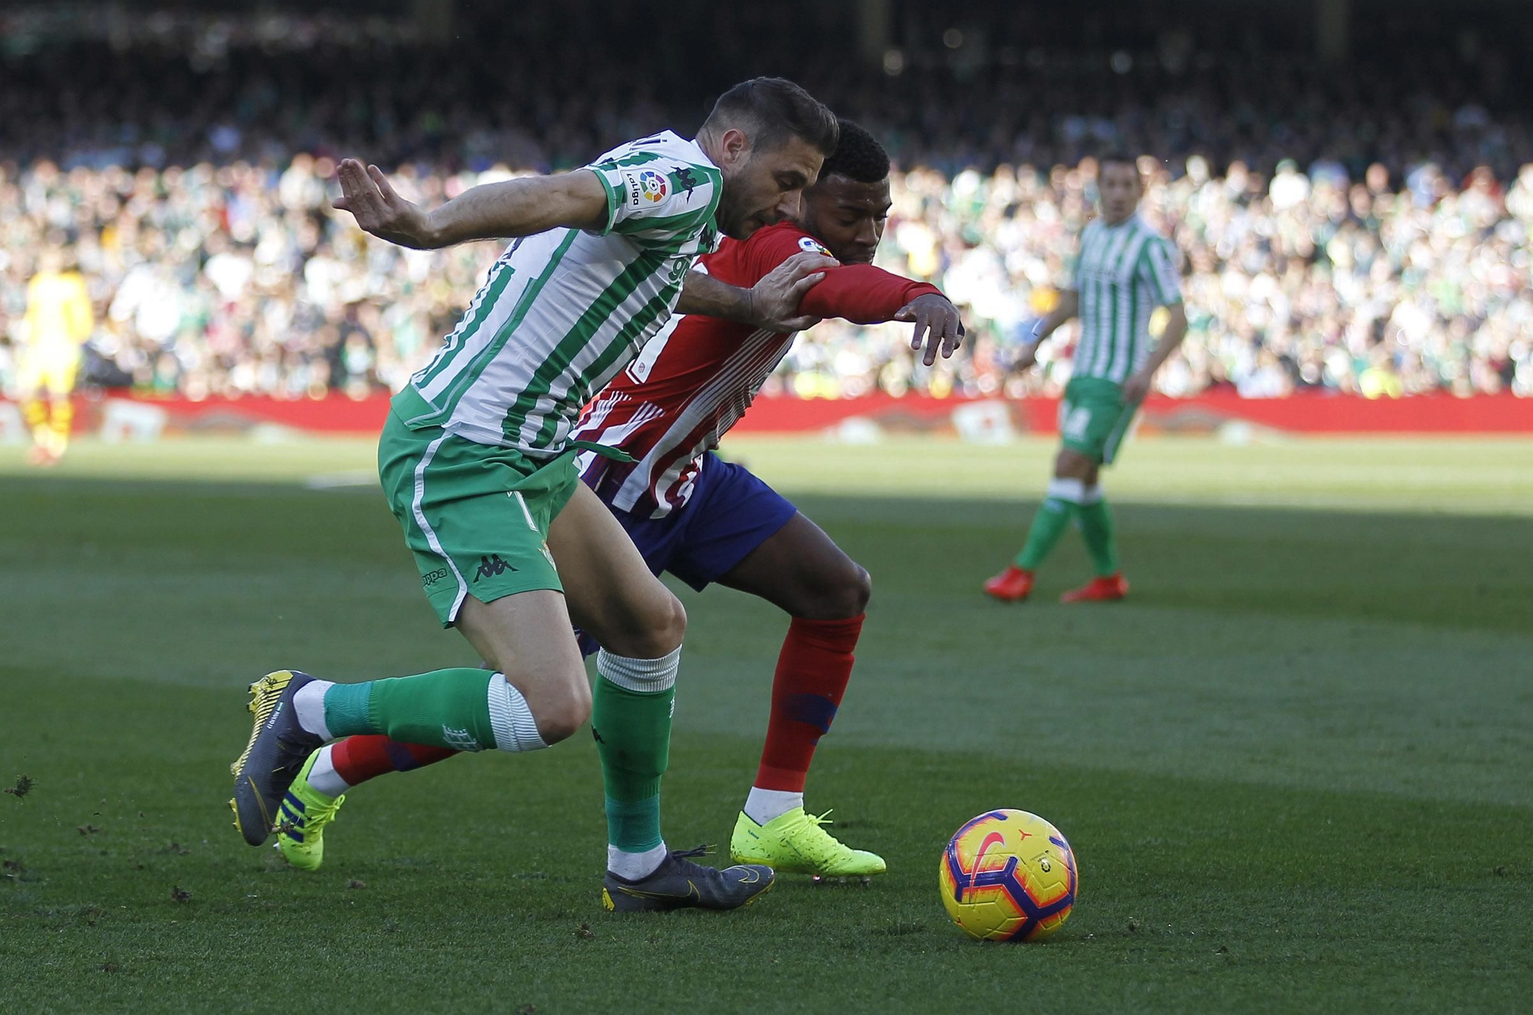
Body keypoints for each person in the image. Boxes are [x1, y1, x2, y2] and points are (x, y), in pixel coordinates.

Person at [268, 121, 964, 881]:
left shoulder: (716, 223)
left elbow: (696, 280)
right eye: (847, 212)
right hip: (613, 474)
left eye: (880, 217)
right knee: (542, 689)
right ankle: (330, 767)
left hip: (686, 475)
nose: (866, 234)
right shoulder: (774, 238)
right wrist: (915, 295)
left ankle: (768, 816)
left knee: (835, 590)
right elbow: (834, 286)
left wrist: (752, 304)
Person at [985, 154, 1187, 603]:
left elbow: (1178, 317)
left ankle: (1021, 572)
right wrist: (1034, 343)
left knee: (1069, 465)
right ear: (1098, 188)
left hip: (1118, 381)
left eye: (1126, 186)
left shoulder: (1150, 246)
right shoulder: (1092, 236)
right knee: (1086, 479)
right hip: (1083, 374)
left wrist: (1146, 371)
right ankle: (1109, 578)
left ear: (1140, 192)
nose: (1117, 193)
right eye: (1109, 184)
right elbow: (1072, 300)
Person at [16, 250, 93, 464]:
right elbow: (32, 313)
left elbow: (82, 314)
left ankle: (57, 446)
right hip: (38, 346)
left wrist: (80, 336)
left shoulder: (72, 283)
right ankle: (44, 439)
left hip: (63, 346)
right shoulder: (37, 283)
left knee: (60, 396)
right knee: (26, 393)